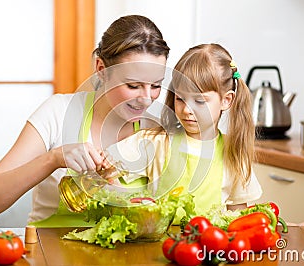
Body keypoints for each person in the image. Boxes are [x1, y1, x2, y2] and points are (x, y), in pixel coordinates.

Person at [0, 15, 170, 227]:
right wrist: (53, 159)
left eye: (156, 85)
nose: (147, 98)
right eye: (133, 85)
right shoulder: (58, 113)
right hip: (49, 254)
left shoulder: (156, 128)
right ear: (101, 69)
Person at [105, 43, 262, 217]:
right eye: (180, 98)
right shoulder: (154, 141)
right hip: (161, 243)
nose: (187, 110)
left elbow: (237, 216)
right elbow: (104, 165)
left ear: (226, 100)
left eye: (200, 101)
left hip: (208, 244)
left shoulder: (233, 153)